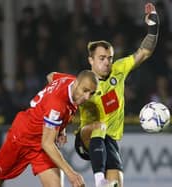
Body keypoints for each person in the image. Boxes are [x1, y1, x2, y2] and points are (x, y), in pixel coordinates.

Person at [47, 3, 160, 187]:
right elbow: (52, 78)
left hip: (110, 142)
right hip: (86, 138)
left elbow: (145, 52)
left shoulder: (118, 70)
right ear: (90, 60)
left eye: (109, 58)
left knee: (117, 184)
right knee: (99, 126)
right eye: (101, 58)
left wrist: (154, 27)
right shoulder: (82, 82)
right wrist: (60, 128)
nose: (107, 62)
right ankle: (99, 180)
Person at [0, 70, 98, 187]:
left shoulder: (69, 81)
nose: (86, 96)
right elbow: (48, 142)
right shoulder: (57, 104)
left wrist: (61, 127)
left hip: (41, 144)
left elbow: (51, 76)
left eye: (91, 93)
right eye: (85, 90)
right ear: (77, 82)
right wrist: (71, 173)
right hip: (22, 137)